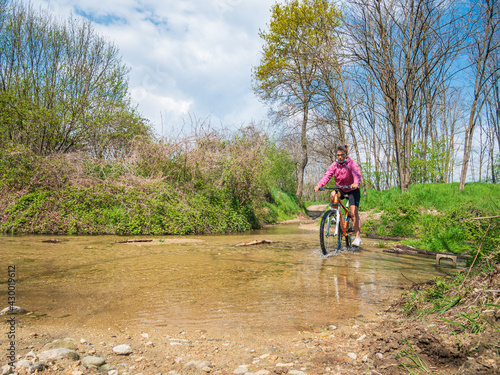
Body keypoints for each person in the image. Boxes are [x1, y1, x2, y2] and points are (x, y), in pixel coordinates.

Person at [314, 145, 363, 247]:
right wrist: (319, 185)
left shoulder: (351, 163)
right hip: (341, 188)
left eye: (342, 155)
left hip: (352, 189)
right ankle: (335, 214)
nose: (340, 157)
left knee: (353, 213)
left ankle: (357, 237)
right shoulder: (334, 165)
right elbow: (327, 175)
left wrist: (356, 183)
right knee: (333, 194)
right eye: (338, 155)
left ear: (346, 154)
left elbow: (356, 174)